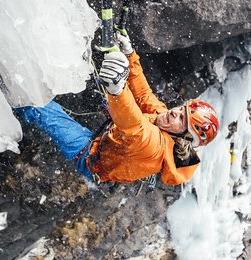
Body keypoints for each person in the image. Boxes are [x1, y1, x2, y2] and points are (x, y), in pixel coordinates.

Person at [16, 32, 219, 186]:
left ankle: (11, 98)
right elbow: (143, 96)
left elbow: (134, 125)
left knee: (40, 107)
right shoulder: (165, 120)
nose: (176, 113)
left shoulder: (154, 148)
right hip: (109, 140)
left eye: (183, 121)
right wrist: (130, 54)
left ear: (183, 137)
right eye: (182, 110)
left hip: (89, 156)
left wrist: (118, 89)